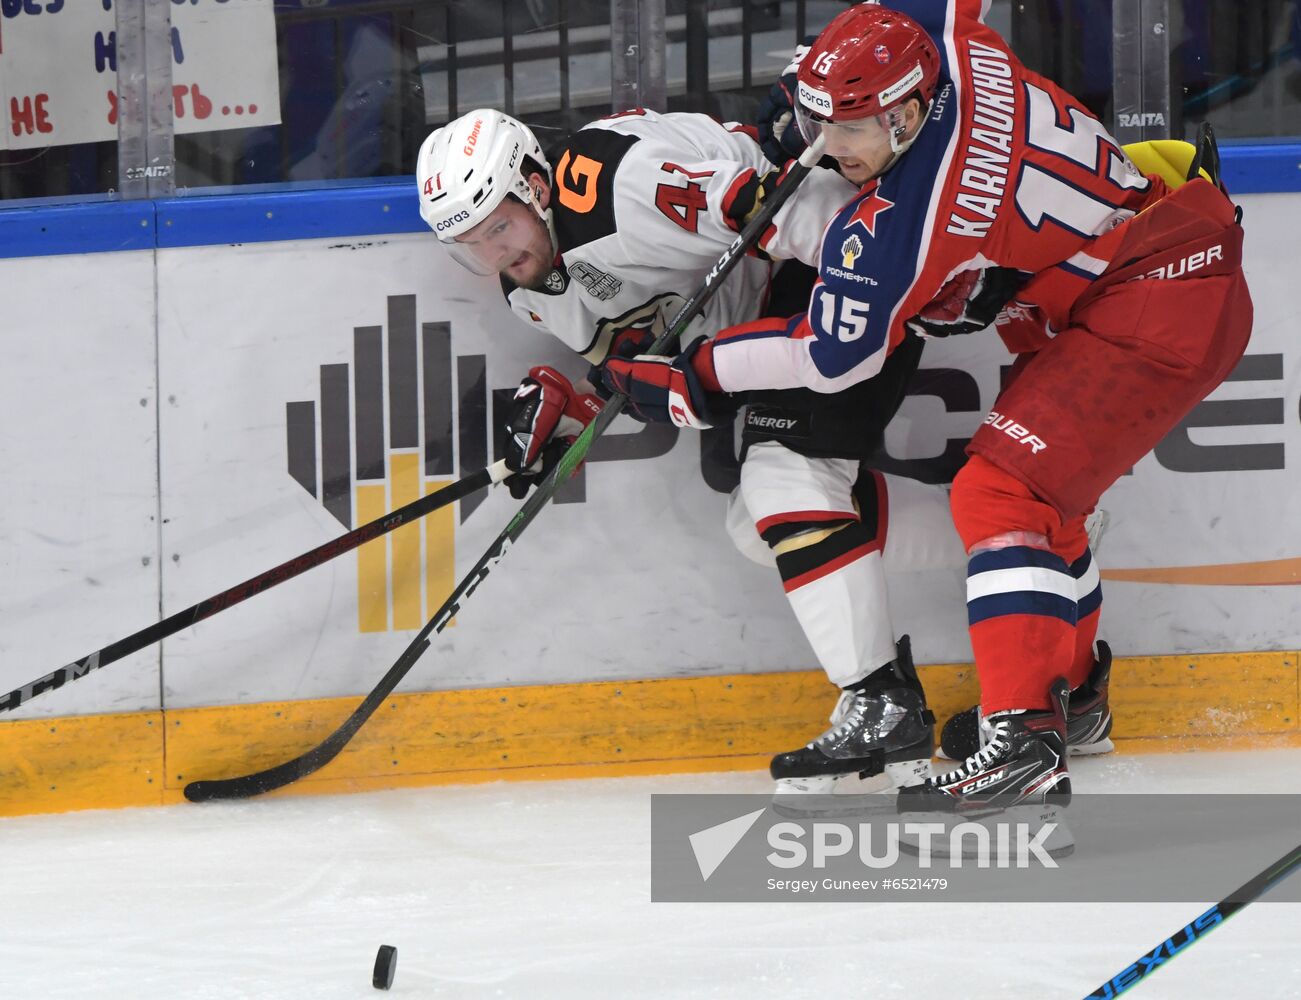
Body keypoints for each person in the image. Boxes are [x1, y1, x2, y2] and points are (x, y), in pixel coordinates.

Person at [601, 1, 1252, 812]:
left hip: (1153, 294)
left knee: (1000, 492)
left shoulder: (904, 222)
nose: (826, 148)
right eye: (817, 122)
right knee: (1046, 508)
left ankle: (1022, 739)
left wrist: (694, 375)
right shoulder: (941, 37)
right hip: (1141, 265)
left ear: (906, 115)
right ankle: (1073, 699)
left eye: (850, 129)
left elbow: (828, 356)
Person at [416, 107, 964, 796]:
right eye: (473, 247)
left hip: (827, 276)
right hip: (766, 320)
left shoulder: (620, 187)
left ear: (537, 186)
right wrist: (577, 411)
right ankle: (1007, 531)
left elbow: (792, 207)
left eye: (500, 229)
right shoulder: (530, 289)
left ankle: (881, 700)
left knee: (784, 480)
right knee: (757, 524)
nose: (498, 258)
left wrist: (908, 275)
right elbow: (642, 357)